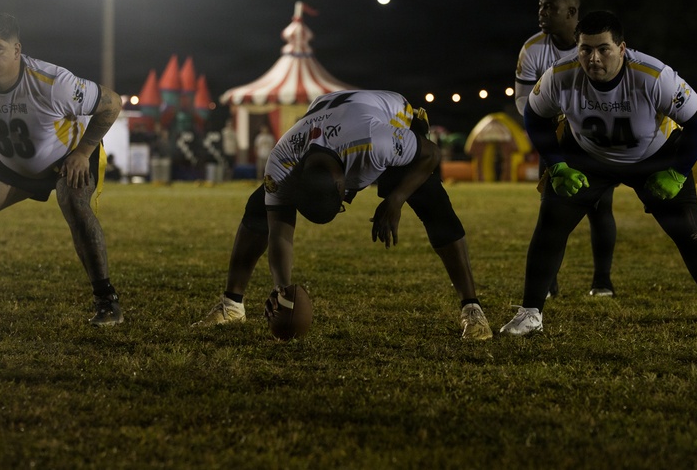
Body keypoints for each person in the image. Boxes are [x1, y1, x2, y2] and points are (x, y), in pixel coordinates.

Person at [501, 11, 697, 340]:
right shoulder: (560, 75)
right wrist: (557, 164)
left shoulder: (652, 75)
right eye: (585, 49)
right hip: (588, 155)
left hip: (653, 156)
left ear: (622, 48)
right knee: (551, 222)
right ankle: (530, 313)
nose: (593, 58)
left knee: (689, 230)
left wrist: (677, 171)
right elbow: (534, 115)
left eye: (603, 49)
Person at [195, 89, 493, 340]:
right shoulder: (283, 161)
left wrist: (395, 199)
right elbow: (280, 231)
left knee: (432, 201)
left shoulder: (377, 144)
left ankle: (472, 308)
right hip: (330, 116)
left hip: (393, 116)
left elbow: (431, 153)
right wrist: (282, 290)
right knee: (259, 208)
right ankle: (231, 306)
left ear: (345, 188)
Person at [0, 12, 124, 326]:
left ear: (16, 50)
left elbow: (112, 103)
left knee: (75, 205)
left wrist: (84, 151)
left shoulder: (54, 84)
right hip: (12, 164)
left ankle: (108, 302)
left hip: (66, 160)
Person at [515, 0, 617, 296]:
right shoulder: (532, 49)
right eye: (541, 6)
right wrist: (555, 121)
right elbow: (523, 102)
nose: (542, 13)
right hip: (556, 137)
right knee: (552, 210)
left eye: (550, 8)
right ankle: (549, 283)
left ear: (572, 14)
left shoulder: (595, 43)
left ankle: (602, 281)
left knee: (600, 207)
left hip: (595, 134)